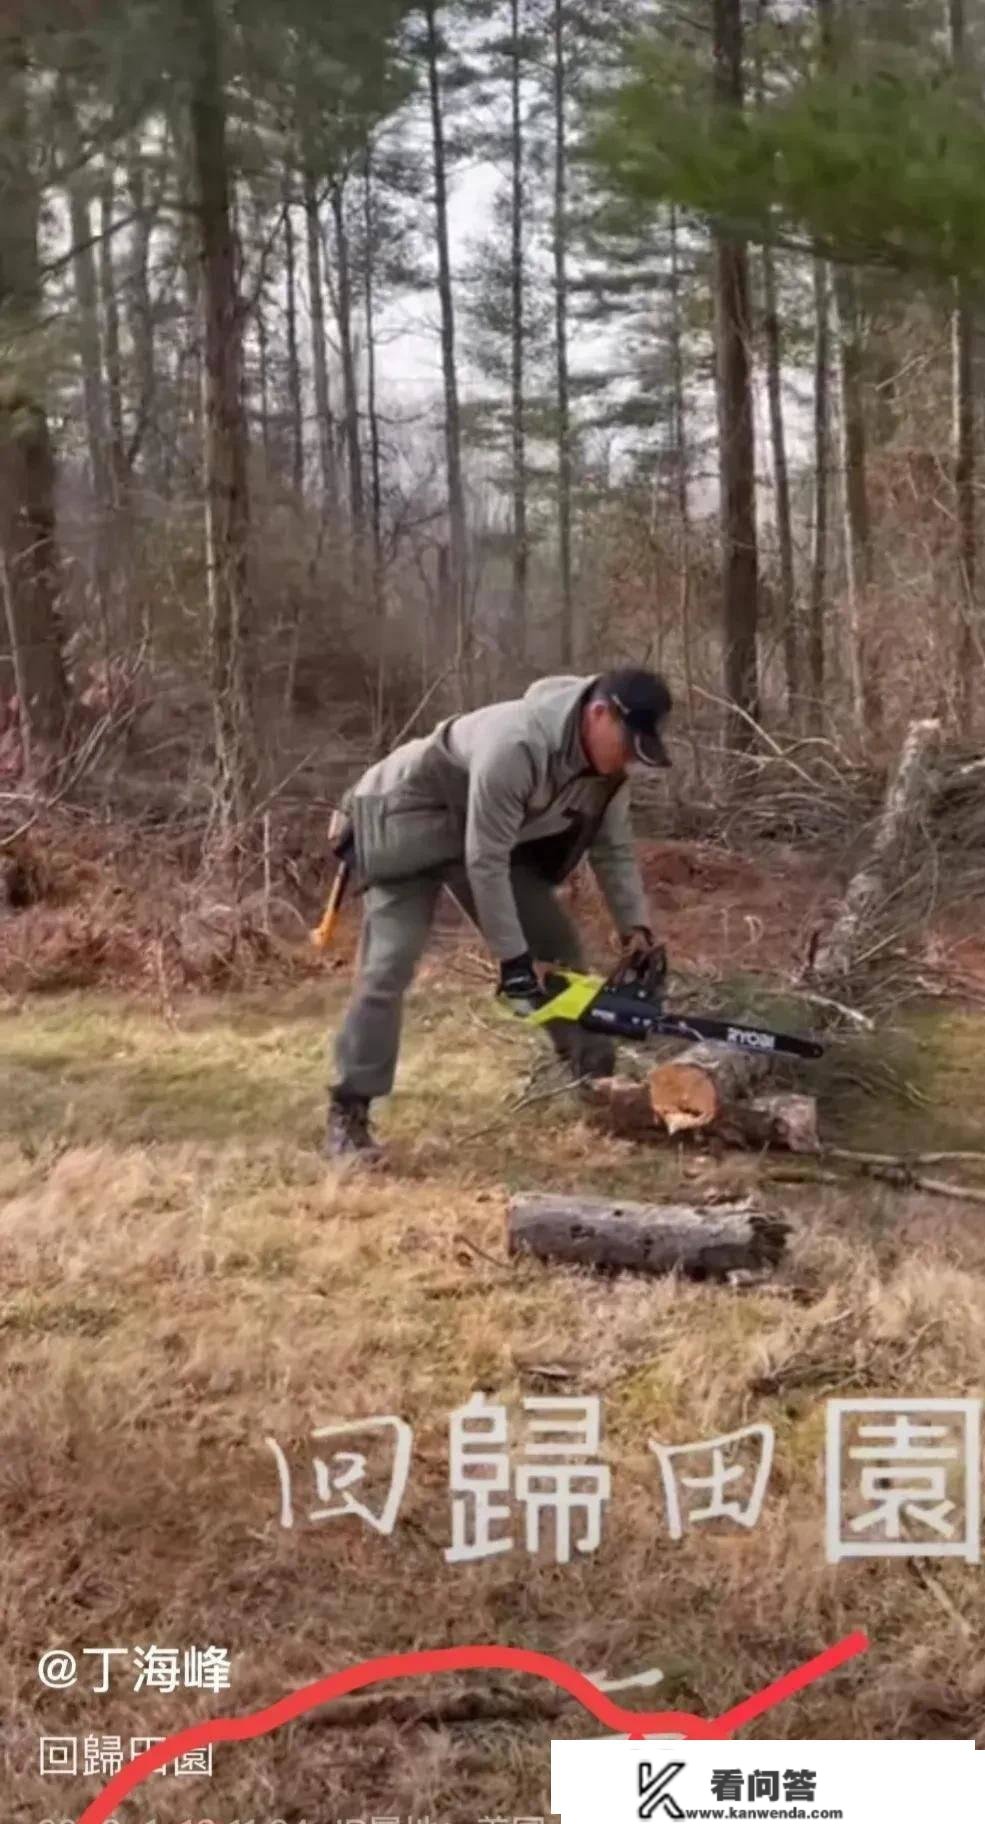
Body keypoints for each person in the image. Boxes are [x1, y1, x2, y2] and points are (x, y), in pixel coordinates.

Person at [325, 667, 673, 1162]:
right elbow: (484, 861)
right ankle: (348, 1111)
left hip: (482, 839)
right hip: (405, 823)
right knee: (389, 967)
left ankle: (596, 1080)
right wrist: (513, 963)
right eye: (627, 743)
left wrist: (636, 931)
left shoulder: (607, 774)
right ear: (599, 714)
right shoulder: (516, 743)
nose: (628, 760)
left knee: (560, 950)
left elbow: (612, 850)